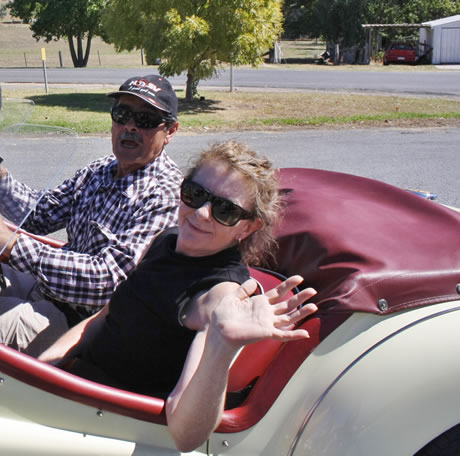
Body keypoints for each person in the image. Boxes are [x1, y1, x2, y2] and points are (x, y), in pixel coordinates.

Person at [37, 141, 319, 452]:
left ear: (248, 227)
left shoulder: (221, 294)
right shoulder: (167, 240)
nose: (201, 213)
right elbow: (105, 318)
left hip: (109, 424)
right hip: (75, 388)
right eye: (195, 194)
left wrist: (223, 345)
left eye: (225, 210)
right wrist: (42, 368)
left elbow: (187, 436)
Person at [0, 75, 184, 356]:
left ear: (170, 131)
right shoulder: (101, 170)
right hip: (50, 291)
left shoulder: (165, 196)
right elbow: (40, 215)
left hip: (85, 327)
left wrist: (10, 243)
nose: (129, 126)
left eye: (146, 119)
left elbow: (106, 283)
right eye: (122, 114)